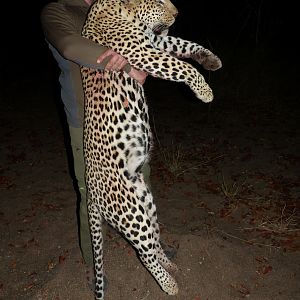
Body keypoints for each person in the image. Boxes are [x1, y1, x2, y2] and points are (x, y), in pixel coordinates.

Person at [40, 0, 150, 284]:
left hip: (125, 113)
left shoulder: (113, 5)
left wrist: (145, 60)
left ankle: (152, 248)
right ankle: (92, 260)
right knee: (92, 193)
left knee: (139, 182)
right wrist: (123, 63)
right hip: (87, 118)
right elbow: (69, 46)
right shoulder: (58, 10)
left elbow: (140, 36)